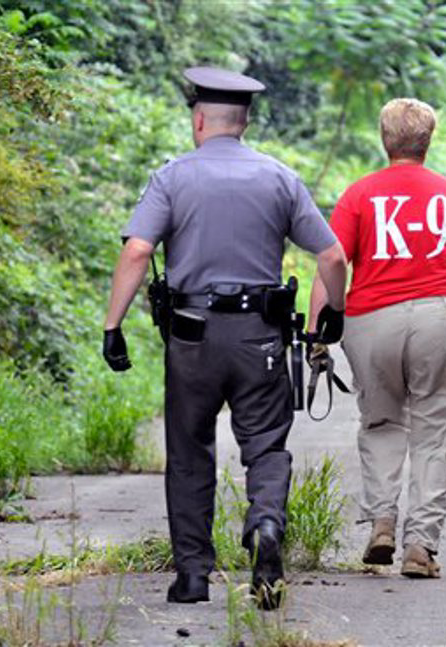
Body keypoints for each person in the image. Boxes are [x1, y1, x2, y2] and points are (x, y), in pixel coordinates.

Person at [101, 66, 347, 608]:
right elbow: (331, 254)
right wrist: (329, 320)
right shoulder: (281, 177)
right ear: (245, 122)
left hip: (191, 339)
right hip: (260, 338)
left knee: (190, 451)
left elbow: (138, 251)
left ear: (198, 120)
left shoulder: (171, 177)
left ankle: (192, 577)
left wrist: (112, 325)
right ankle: (264, 526)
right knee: (266, 447)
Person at [309, 98, 446, 578]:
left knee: (382, 421)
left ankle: (383, 523)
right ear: (428, 141)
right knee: (439, 428)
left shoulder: (358, 195)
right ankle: (421, 545)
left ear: (384, 139)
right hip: (439, 317)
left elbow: (331, 264)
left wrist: (315, 333)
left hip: (371, 320)